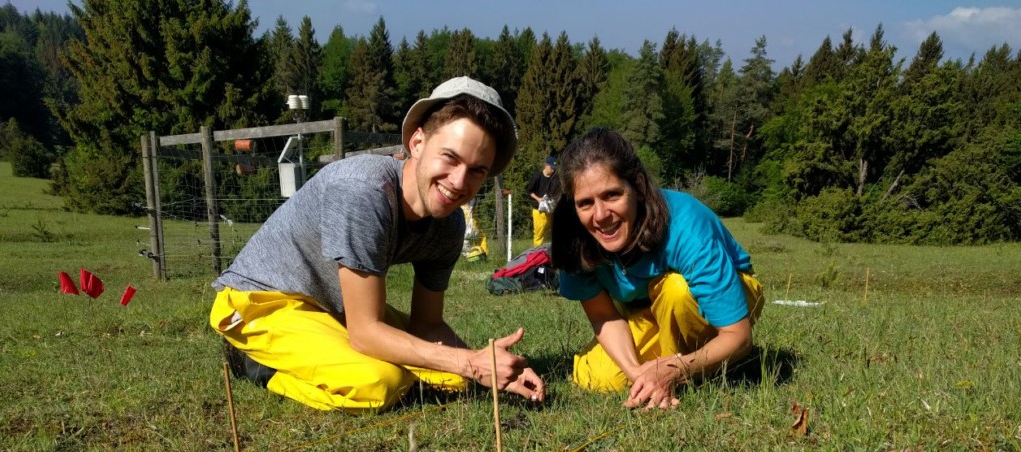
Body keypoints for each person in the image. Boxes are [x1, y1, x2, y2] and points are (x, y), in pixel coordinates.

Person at [210, 77, 545, 411]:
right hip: (260, 302)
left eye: (476, 170)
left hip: (331, 307)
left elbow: (428, 324)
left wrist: (492, 368)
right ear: (417, 142)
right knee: (379, 383)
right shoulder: (363, 192)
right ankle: (255, 364)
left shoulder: (449, 224)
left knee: (454, 379)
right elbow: (366, 332)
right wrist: (469, 362)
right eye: (450, 158)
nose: (459, 182)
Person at [551, 128, 764, 411]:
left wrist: (673, 371)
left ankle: (704, 365)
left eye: (612, 195)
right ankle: (686, 366)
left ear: (637, 188)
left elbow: (738, 335)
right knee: (598, 378)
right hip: (646, 310)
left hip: (727, 303)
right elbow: (603, 315)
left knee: (676, 290)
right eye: (586, 203)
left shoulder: (685, 223)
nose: (601, 216)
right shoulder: (574, 238)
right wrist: (636, 374)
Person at [526, 156, 557, 246]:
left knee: (551, 234)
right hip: (538, 210)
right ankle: (537, 254)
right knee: (539, 234)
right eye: (552, 168)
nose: (553, 170)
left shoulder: (554, 178)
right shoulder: (537, 176)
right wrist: (539, 199)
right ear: (546, 166)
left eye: (554, 168)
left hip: (550, 210)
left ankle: (550, 253)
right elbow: (529, 191)